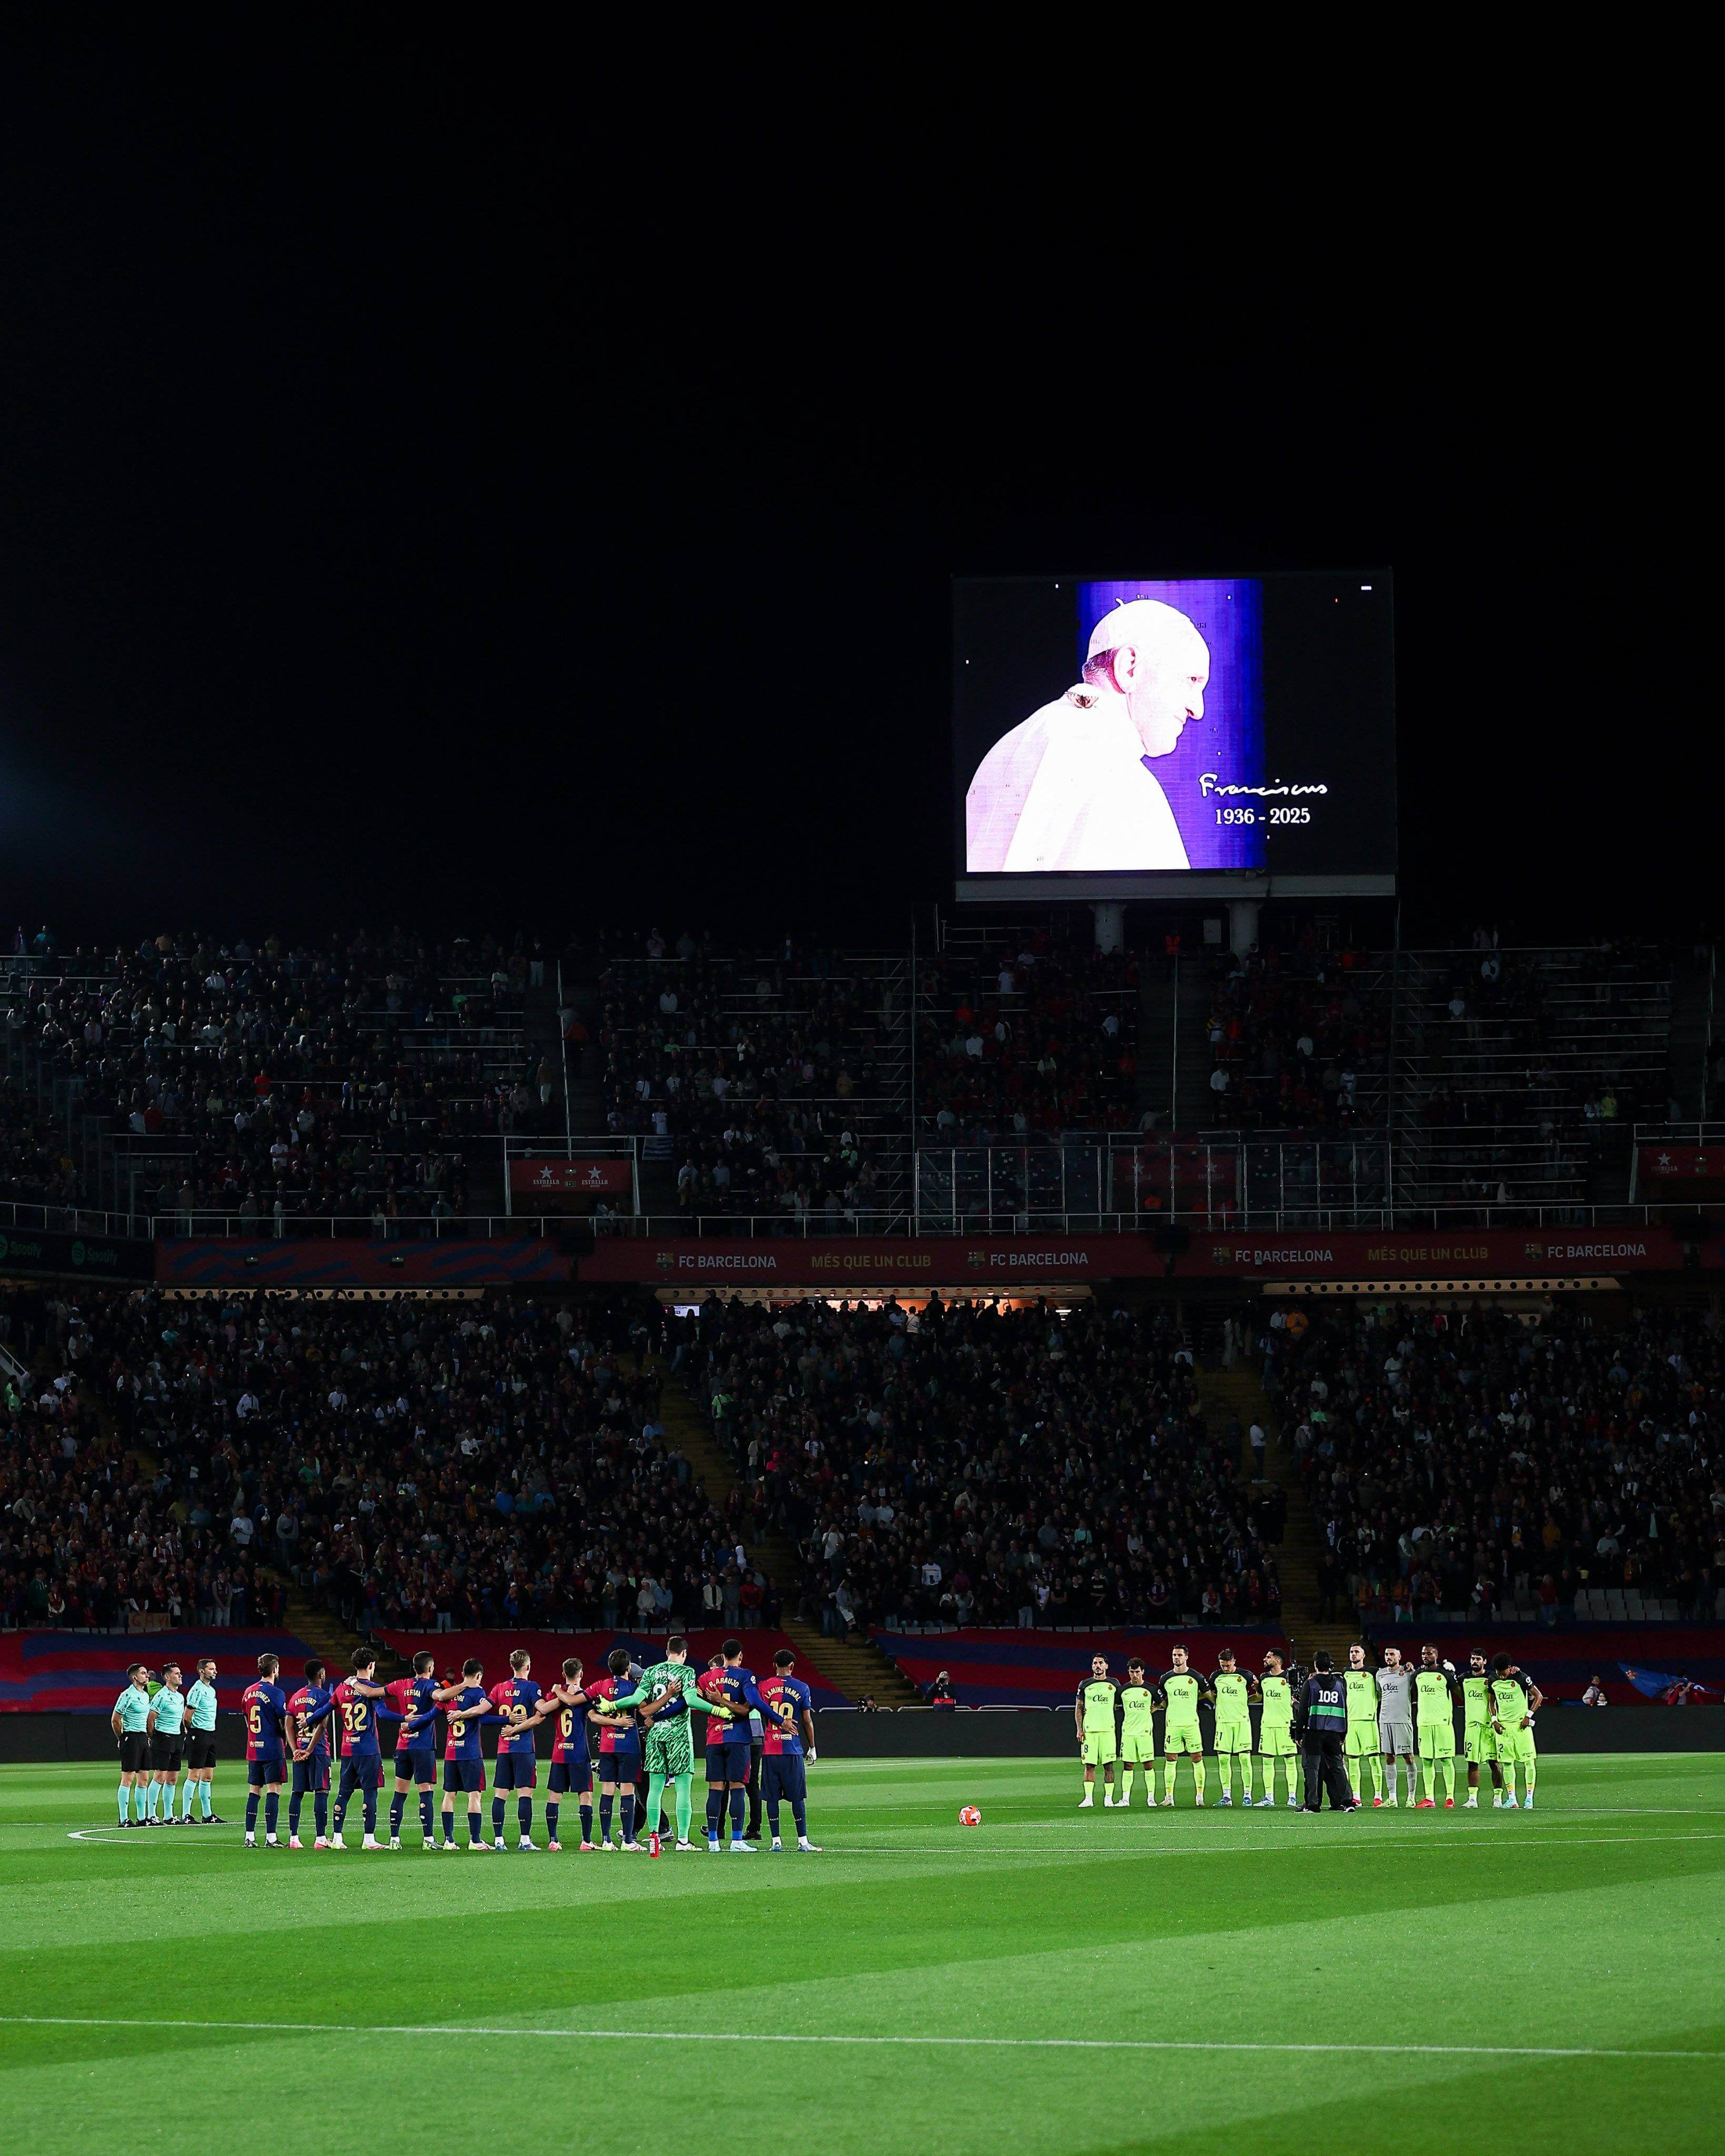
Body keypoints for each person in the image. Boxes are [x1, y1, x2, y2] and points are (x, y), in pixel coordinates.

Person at [965, 598, 1210, 872]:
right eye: (1191, 680)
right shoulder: (1121, 778)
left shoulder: (1013, 743)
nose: (1198, 710)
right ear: (1129, 668)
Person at [606, 1637, 739, 1852]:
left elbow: (636, 1699)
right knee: (683, 1789)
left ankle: (654, 1839)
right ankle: (683, 1841)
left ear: (667, 1652)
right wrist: (717, 1710)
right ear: (684, 1653)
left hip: (655, 1735)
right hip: (679, 1736)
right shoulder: (686, 1672)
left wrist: (612, 1705)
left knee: (655, 1788)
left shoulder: (651, 1672)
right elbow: (691, 1700)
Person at [707, 1638, 769, 1851]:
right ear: (740, 1656)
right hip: (740, 1737)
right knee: (739, 1787)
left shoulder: (709, 1678)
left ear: (722, 1656)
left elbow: (695, 1697)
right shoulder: (745, 1676)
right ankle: (737, 1840)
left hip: (715, 1738)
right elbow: (748, 1708)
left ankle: (714, 1841)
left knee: (716, 1789)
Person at [757, 1648, 820, 1852]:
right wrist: (812, 1747)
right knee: (797, 1797)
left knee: (772, 1797)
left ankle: (776, 1841)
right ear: (792, 1666)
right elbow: (807, 1720)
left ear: (775, 1665)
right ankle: (803, 1841)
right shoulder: (802, 1687)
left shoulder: (764, 1686)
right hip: (792, 1750)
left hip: (770, 1750)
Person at [327, 1650, 391, 1850]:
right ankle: (369, 1839)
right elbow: (383, 1714)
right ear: (371, 1665)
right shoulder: (373, 1689)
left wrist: (308, 1720)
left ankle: (337, 1838)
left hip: (347, 1750)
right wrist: (405, 1720)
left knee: (344, 1793)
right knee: (370, 1793)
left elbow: (325, 1710)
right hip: (368, 1749)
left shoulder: (342, 1687)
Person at [584, 1646, 646, 1851]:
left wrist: (610, 1722)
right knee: (628, 1791)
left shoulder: (600, 1685)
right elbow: (646, 1710)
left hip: (607, 1745)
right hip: (628, 1745)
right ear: (628, 1667)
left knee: (607, 1791)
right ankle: (628, 1841)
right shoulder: (634, 1689)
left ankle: (606, 1840)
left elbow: (591, 1715)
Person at [487, 1648, 543, 1851]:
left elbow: (482, 1716)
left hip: (504, 1750)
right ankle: (525, 1841)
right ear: (528, 1666)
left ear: (512, 1666)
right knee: (525, 1795)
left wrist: (505, 1720)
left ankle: (498, 1841)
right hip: (524, 1749)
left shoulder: (499, 1688)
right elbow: (542, 1710)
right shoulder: (532, 1687)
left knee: (500, 1795)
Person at [384, 1650, 441, 1849]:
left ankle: (394, 1840)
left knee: (399, 1793)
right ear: (430, 1667)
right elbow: (439, 1697)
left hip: (403, 1746)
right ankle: (429, 1840)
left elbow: (376, 1693)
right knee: (426, 1792)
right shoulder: (431, 1685)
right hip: (423, 1747)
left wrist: (355, 1683)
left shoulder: (400, 1684)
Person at [438, 1658, 495, 1851]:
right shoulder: (478, 1692)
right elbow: (482, 1714)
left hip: (451, 1751)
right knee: (474, 1795)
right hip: (470, 1752)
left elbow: (437, 1705)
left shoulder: (451, 1693)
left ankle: (448, 1840)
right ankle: (475, 1841)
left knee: (449, 1794)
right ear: (479, 1676)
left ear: (463, 1674)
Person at [1294, 1650, 1359, 1813]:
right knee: (1338, 1768)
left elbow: (1303, 1712)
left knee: (1312, 1769)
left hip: (1314, 1732)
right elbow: (1344, 1708)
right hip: (1334, 1732)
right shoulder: (1339, 1683)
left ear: (1316, 1665)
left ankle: (1313, 1805)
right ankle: (1348, 1802)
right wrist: (1343, 1733)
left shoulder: (1311, 1684)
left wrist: (1298, 1734)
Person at [241, 1652, 290, 1849]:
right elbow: (283, 1721)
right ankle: (271, 1837)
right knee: (274, 1789)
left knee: (254, 1790)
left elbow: (246, 1718)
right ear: (275, 1669)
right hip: (272, 1747)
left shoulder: (248, 1692)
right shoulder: (277, 1693)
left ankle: (249, 1837)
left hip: (253, 1747)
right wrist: (286, 1738)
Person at [286, 1657, 334, 1850]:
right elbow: (322, 1726)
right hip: (318, 1751)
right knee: (321, 1792)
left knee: (297, 1793)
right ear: (321, 1675)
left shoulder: (295, 1696)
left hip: (299, 1751)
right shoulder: (324, 1696)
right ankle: (320, 1838)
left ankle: (293, 1838)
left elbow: (288, 1725)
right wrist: (310, 1750)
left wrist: (295, 1750)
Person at [1156, 1645, 1208, 1808]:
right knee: (1171, 1759)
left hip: (1191, 1724)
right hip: (1173, 1725)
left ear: (1186, 1657)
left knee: (1197, 1758)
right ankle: (1169, 1798)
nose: (1176, 1658)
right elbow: (1162, 1700)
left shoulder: (1196, 1677)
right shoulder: (1165, 1679)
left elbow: (1209, 1695)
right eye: (1174, 1655)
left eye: (1179, 1655)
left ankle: (1200, 1796)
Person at [1491, 1655, 1543, 1810]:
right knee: (1507, 1763)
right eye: (1499, 1673)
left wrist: (1529, 1716)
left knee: (1529, 1762)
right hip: (1504, 1729)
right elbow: (1491, 1701)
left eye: (1504, 1673)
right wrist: (1494, 1720)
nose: (1502, 1676)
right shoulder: (1493, 1680)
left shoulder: (1520, 1677)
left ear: (1510, 1667)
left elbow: (1539, 1696)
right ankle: (1512, 1799)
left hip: (1521, 1727)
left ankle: (1529, 1799)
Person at [1413, 1645, 1460, 1809]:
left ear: (1437, 1655)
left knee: (1446, 1760)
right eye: (1423, 1654)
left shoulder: (1446, 1674)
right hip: (1424, 1723)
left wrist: (1455, 1675)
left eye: (1429, 1653)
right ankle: (1429, 1798)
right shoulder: (1418, 1675)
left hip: (1443, 1723)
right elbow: (1413, 1695)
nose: (1425, 1656)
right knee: (1426, 1761)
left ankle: (1450, 1798)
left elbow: (1460, 1694)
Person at [1209, 1648, 1257, 1806]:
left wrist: (1246, 1701)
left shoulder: (1246, 1676)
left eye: (1228, 1665)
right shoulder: (1215, 1677)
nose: (1226, 1668)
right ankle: (1226, 1796)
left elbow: (1260, 1692)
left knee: (1244, 1759)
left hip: (1242, 1722)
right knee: (1223, 1759)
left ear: (1234, 1661)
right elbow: (1210, 1694)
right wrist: (1218, 1702)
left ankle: (1247, 1795)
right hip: (1223, 1723)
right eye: (1223, 1665)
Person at [1255, 1649, 1301, 1809]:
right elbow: (1259, 1695)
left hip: (1286, 1725)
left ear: (1277, 1661)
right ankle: (1269, 1797)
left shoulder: (1290, 1677)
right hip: (1267, 1725)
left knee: (1290, 1760)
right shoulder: (1264, 1678)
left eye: (1268, 1657)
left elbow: (1298, 1697)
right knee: (1267, 1760)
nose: (1265, 1659)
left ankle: (1292, 1798)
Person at [111, 1662, 154, 1828]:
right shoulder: (127, 1695)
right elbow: (116, 1720)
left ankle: (142, 1818)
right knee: (128, 1779)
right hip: (131, 1737)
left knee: (144, 1779)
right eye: (143, 1673)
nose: (147, 1676)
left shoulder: (145, 1695)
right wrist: (122, 1738)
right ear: (135, 1677)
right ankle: (124, 1819)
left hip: (143, 1738)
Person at [1460, 1651, 1504, 1808]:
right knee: (1472, 1763)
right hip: (1471, 1727)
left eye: (1478, 1659)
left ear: (1485, 1661)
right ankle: (1472, 1799)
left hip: (1489, 1726)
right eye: (1473, 1658)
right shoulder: (1464, 1678)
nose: (1475, 1661)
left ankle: (1498, 1798)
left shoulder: (1492, 1677)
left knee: (1494, 1763)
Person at [145, 1660, 187, 1824]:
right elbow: (150, 1719)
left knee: (172, 1779)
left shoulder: (180, 1697)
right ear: (168, 1677)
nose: (180, 1676)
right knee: (160, 1777)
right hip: (163, 1738)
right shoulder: (161, 1696)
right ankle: (151, 1815)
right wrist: (153, 1737)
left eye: (180, 1673)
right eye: (177, 1673)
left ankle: (169, 1816)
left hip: (176, 1739)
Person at [1074, 1653, 1119, 1809]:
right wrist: (1079, 1729)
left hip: (1108, 1731)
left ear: (1106, 1666)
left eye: (1101, 1663)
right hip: (1090, 1732)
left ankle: (1109, 1799)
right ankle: (1088, 1799)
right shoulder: (1085, 1684)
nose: (1098, 1666)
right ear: (1092, 1666)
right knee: (1089, 1765)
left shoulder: (1114, 1684)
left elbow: (1119, 1704)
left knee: (1109, 1766)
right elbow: (1079, 1708)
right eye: (1095, 1663)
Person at [1340, 1643, 1382, 1806]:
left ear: (1364, 1655)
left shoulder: (1373, 1672)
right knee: (1353, 1760)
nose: (1354, 1654)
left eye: (1357, 1652)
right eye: (1352, 1651)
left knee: (1374, 1760)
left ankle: (1378, 1796)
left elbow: (1381, 1692)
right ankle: (1356, 1796)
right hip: (1351, 1723)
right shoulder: (1345, 1673)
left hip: (1368, 1721)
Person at [1375, 1645, 1417, 1808]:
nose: (1389, 1657)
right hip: (1385, 1720)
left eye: (1392, 1654)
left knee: (1408, 1757)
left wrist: (1411, 1668)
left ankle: (1411, 1797)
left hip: (1403, 1720)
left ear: (1399, 1657)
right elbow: (1379, 1695)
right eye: (1387, 1654)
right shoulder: (1380, 1674)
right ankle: (1392, 1799)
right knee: (1389, 1758)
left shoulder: (1408, 1673)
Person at [183, 1656, 222, 1823]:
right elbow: (187, 1717)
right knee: (194, 1775)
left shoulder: (211, 1690)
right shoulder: (197, 1690)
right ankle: (186, 1814)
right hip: (198, 1734)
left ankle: (207, 1815)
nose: (215, 1672)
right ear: (202, 1671)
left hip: (210, 1735)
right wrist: (192, 1731)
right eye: (211, 1669)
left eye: (215, 1669)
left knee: (207, 1777)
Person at [1116, 1659, 1158, 1808]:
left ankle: (1151, 1799)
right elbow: (1113, 1706)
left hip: (1145, 1733)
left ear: (1143, 1672)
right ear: (1128, 1672)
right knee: (1128, 1765)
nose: (1135, 1675)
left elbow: (1162, 1702)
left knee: (1148, 1765)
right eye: (1132, 1672)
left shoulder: (1151, 1689)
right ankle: (1125, 1800)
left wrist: (1155, 1708)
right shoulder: (1122, 1690)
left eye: (1137, 1672)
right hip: (1128, 1733)